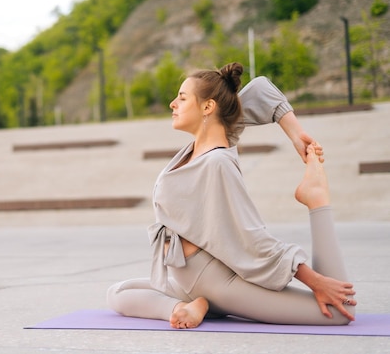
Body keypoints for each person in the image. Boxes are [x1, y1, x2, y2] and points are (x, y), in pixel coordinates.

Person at [107, 62, 356, 329]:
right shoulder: (206, 142)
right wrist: (296, 135)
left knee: (338, 313)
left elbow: (252, 238)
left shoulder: (218, 163)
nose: (172, 103)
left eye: (181, 97)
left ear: (207, 107)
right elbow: (261, 89)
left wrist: (314, 281)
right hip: (183, 278)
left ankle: (316, 196)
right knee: (116, 294)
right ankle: (188, 307)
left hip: (216, 281)